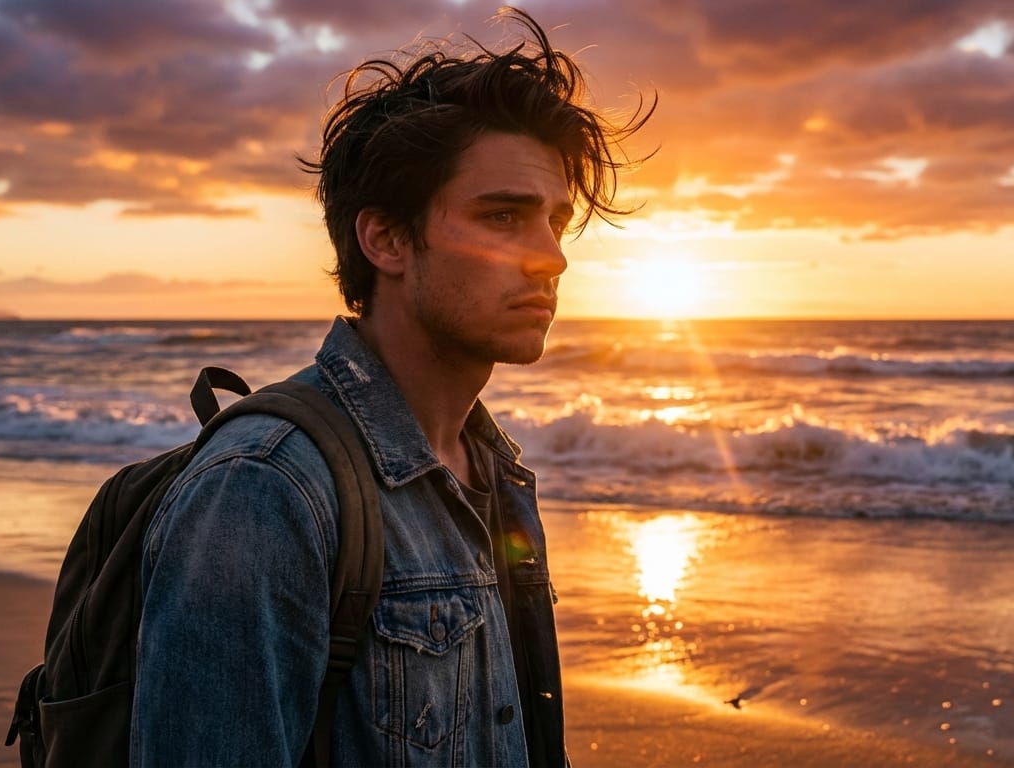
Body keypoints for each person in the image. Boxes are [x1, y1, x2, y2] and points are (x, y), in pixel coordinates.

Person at [130, 8, 651, 767]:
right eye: (502, 217)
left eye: (556, 222)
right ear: (387, 239)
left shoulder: (489, 467)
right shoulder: (263, 491)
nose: (551, 259)